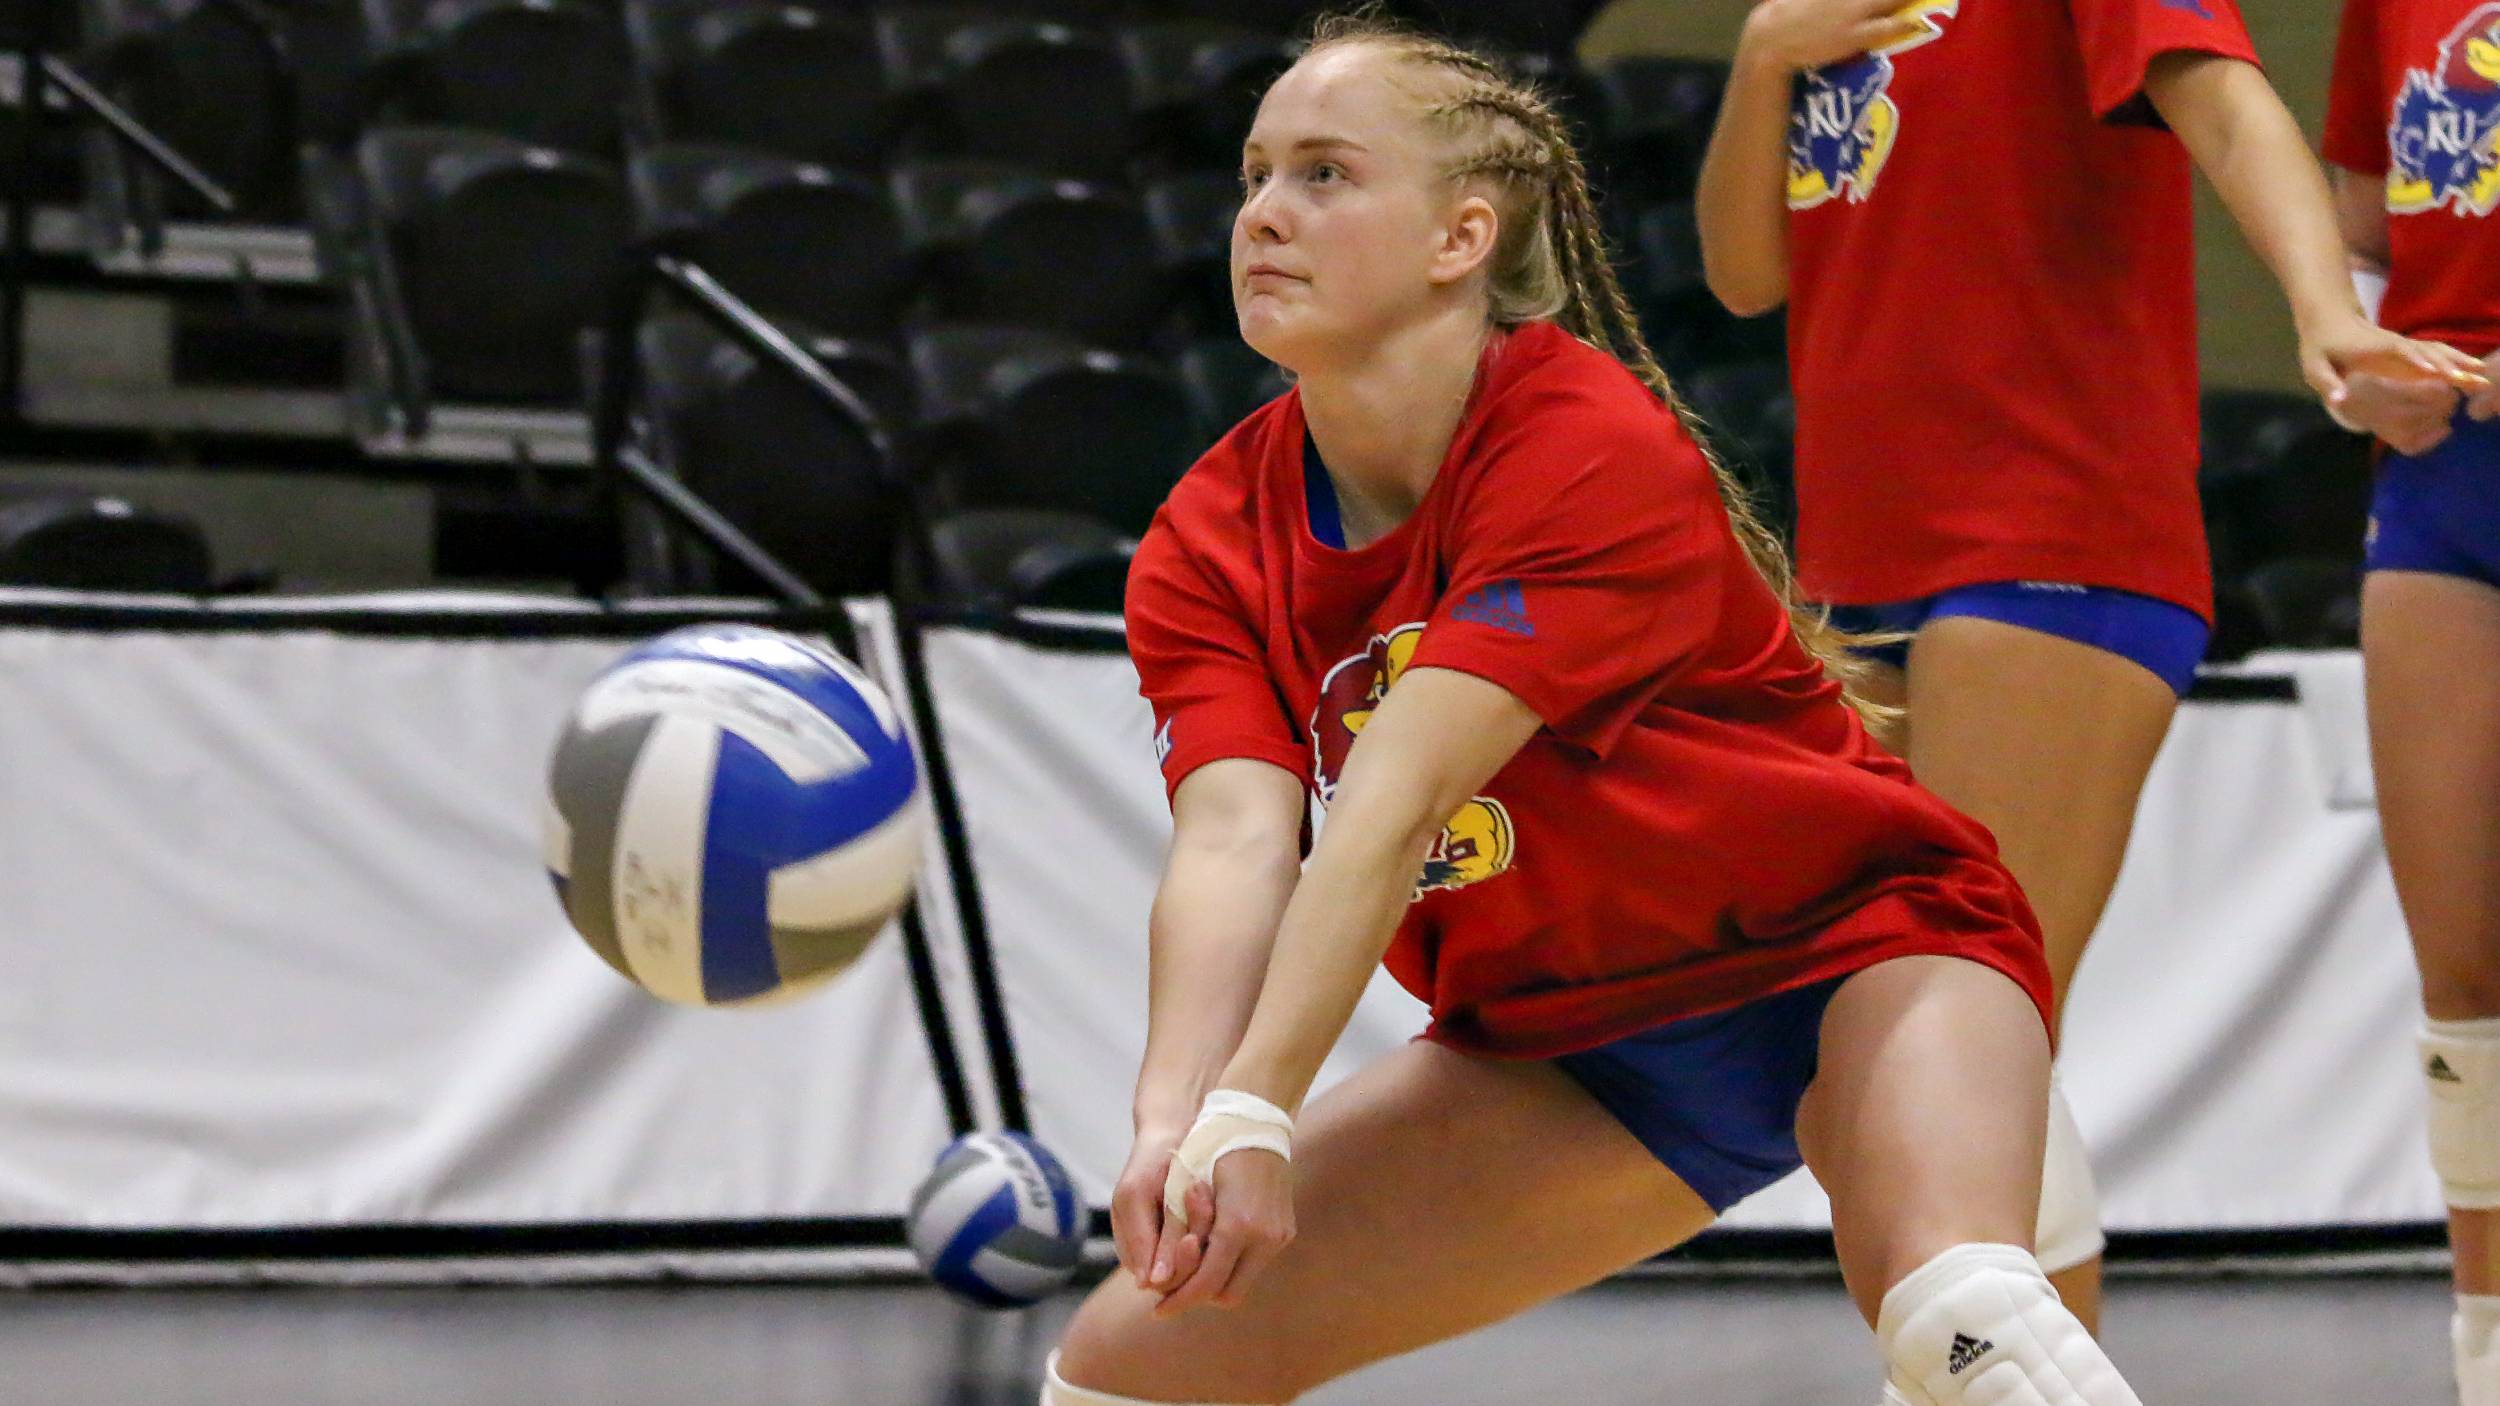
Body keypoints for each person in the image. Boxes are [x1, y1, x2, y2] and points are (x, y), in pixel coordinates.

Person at [1042, 14, 2146, 1406]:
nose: (1264, 212)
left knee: (1961, 1313)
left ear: (1461, 239)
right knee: (1131, 1366)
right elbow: (1232, 844)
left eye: (1325, 174)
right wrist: (1175, 1117)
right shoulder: (1205, 537)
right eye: (1256, 174)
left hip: (1860, 950)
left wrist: (1260, 1101)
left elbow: (1393, 805)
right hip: (1567, 1042)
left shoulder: (1583, 440)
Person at [1693, 0, 2486, 1335]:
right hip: (1859, 551)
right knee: (1896, 1073)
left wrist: (2320, 316)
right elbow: (1742, 272)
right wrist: (1766, 52)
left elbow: (2228, 99)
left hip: (2052, 527)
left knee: (1955, 1047)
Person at [2322, 3, 2500, 1401]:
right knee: (2463, 978)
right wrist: (2353, 369)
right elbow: (2357, 226)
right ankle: (2483, 1349)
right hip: (2447, 474)